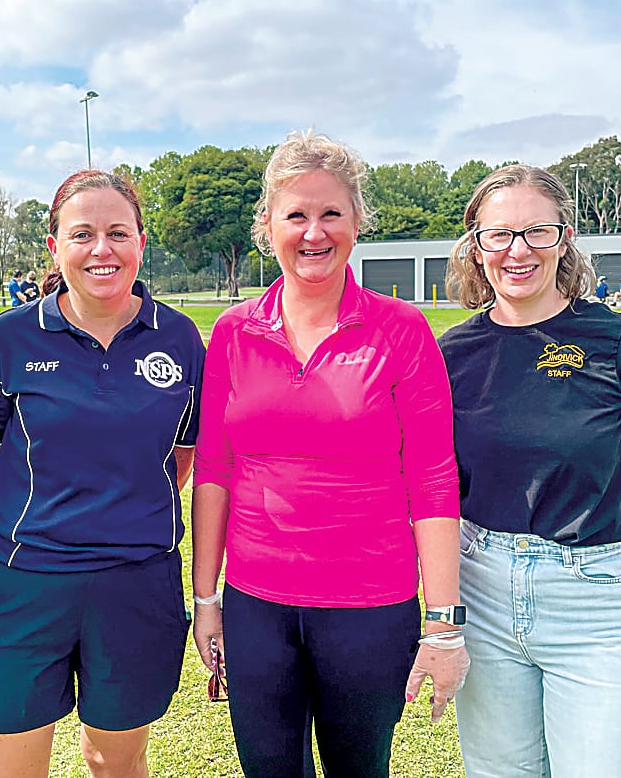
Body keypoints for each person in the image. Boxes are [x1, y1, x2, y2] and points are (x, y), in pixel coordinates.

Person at [191, 131, 469, 778]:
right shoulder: (234, 332)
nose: (313, 233)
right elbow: (215, 470)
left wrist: (444, 624)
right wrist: (206, 598)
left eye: (330, 214)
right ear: (267, 226)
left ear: (357, 222)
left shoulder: (401, 330)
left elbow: (432, 479)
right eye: (296, 215)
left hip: (370, 608)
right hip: (257, 604)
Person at [440, 165, 621, 777]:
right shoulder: (450, 355)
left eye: (536, 232)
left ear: (564, 238)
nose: (517, 251)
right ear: (476, 246)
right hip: (483, 594)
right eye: (498, 235)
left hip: (595, 601)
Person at [0, 170, 205, 778]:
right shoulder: (7, 339)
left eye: (117, 232)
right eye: (83, 234)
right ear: (55, 246)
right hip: (23, 584)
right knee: (8, 768)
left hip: (136, 584)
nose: (102, 249)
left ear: (141, 243)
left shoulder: (180, 339)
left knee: (116, 761)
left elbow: (178, 458)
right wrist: (55, 521)